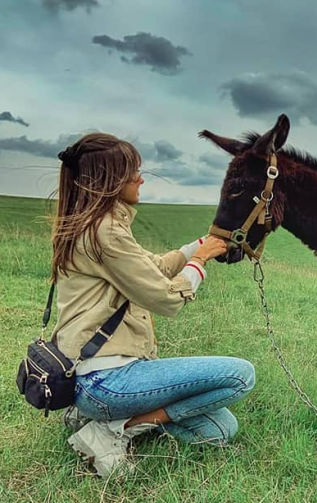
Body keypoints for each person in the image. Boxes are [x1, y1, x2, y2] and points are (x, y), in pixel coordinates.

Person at [50, 132, 255, 477]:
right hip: (107, 379)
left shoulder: (96, 225)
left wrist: (203, 243)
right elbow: (166, 297)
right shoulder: (106, 233)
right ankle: (113, 430)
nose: (140, 179)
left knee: (219, 430)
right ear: (111, 180)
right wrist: (200, 262)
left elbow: (154, 269)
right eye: (134, 172)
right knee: (241, 375)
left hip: (100, 379)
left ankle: (105, 418)